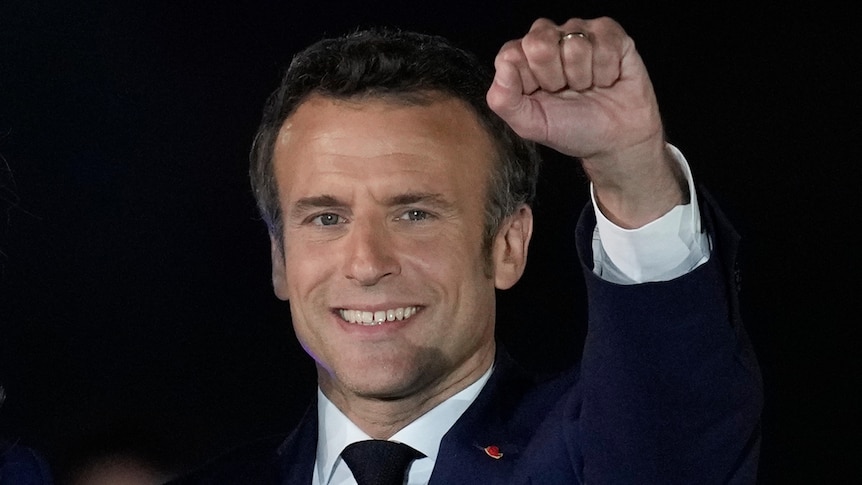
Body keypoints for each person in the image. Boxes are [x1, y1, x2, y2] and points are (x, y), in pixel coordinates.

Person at [167, 15, 762, 484]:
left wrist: (630, 175)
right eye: (326, 218)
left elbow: (672, 428)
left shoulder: (594, 456)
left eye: (415, 214)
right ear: (280, 259)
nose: (367, 263)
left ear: (508, 244)